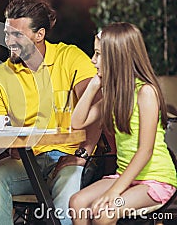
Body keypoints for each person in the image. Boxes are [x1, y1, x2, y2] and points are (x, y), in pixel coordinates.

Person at [0, 0, 102, 225]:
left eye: (18, 34)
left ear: (40, 34)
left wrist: (83, 155)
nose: (9, 41)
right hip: (27, 161)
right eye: (7, 33)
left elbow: (97, 108)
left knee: (68, 191)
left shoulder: (71, 58)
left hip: (72, 156)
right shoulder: (1, 75)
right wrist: (9, 143)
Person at [69, 22, 177, 224]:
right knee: (77, 202)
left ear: (116, 57)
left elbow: (145, 151)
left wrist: (114, 192)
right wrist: (94, 85)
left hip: (155, 181)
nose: (93, 60)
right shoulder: (114, 95)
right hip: (125, 177)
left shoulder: (146, 92)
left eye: (99, 54)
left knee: (105, 212)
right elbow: (77, 122)